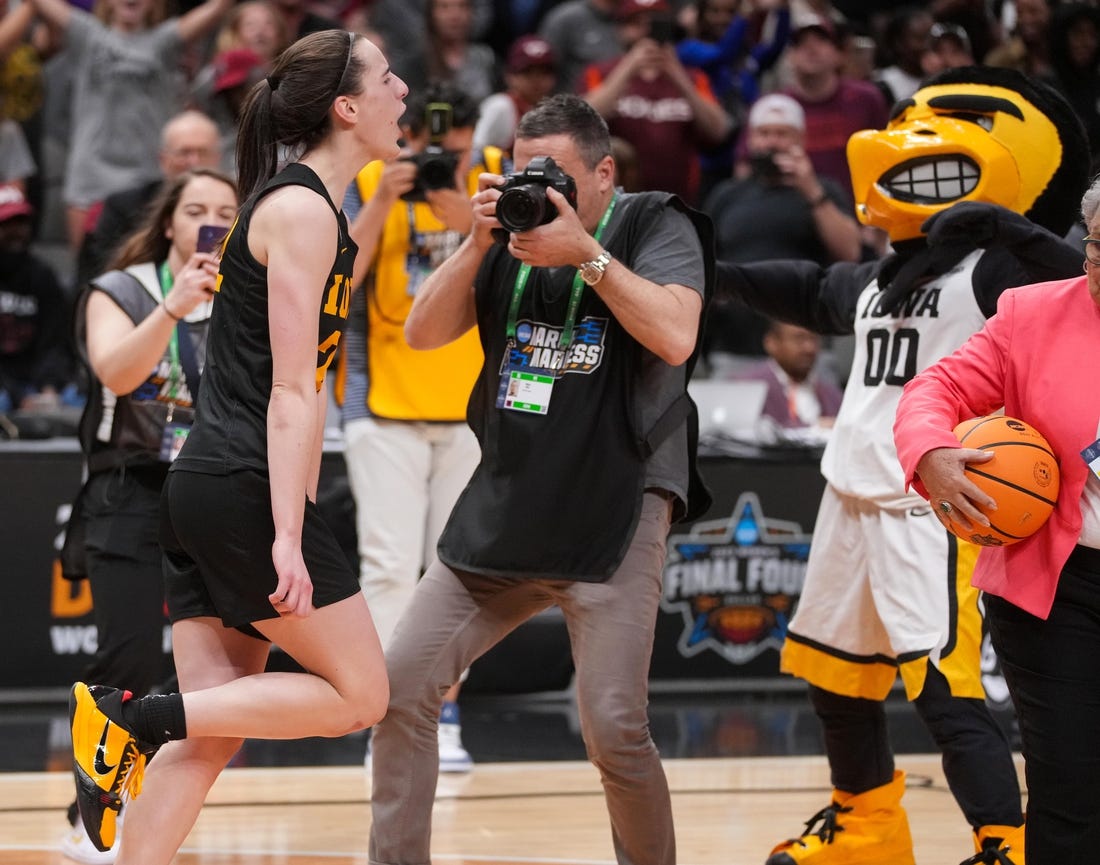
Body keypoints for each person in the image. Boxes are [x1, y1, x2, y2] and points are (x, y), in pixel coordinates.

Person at [715, 66, 1089, 865]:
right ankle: (867, 823)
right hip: (851, 492)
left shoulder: (995, 270)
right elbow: (808, 286)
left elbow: (1075, 286)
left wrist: (1012, 229)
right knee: (834, 673)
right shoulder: (884, 279)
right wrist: (704, 268)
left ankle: (1005, 839)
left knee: (944, 687)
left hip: (939, 499)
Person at [66, 29, 408, 865]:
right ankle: (131, 713)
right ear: (346, 106)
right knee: (362, 694)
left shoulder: (312, 209)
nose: (404, 91)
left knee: (210, 732)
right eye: (389, 77)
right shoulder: (296, 208)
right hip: (245, 484)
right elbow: (293, 392)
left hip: (210, 482)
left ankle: (143, 751)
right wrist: (288, 533)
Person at [367, 92, 712, 865]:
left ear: (603, 172)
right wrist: (475, 238)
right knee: (400, 692)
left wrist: (585, 256)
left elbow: (675, 331)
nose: (540, 187)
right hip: (510, 500)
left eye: (555, 172)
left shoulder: (657, 222)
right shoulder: (507, 239)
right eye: (526, 173)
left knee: (614, 726)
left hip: (615, 504)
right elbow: (422, 333)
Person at [893, 174, 1100, 865]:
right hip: (1060, 588)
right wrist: (931, 452)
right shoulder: (1031, 314)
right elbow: (937, 387)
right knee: (1068, 786)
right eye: (1097, 249)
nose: (1099, 268)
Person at [59, 167, 238, 864]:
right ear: (170, 221)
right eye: (196, 208)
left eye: (226, 210)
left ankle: (148, 804)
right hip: (128, 488)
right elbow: (116, 372)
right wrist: (175, 307)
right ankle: (89, 812)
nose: (210, 220)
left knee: (205, 675)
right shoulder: (123, 289)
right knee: (128, 654)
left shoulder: (242, 301)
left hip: (209, 491)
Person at [337, 82, 507, 773]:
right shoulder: (370, 174)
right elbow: (336, 285)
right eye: (430, 144)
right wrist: (383, 200)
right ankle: (388, 716)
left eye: (454, 145)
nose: (443, 155)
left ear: (472, 135)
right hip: (383, 406)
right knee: (386, 568)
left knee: (455, 573)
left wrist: (469, 217)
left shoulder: (498, 169)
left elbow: (527, 272)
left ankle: (443, 713)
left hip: (470, 405)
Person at [25, 0, 234, 253]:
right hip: (91, 177)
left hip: (147, 179)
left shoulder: (164, 38)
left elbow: (218, 7)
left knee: (145, 262)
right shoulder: (87, 33)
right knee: (87, 269)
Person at [701, 91, 860, 374]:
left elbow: (850, 251)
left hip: (806, 347)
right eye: (764, 133)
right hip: (734, 344)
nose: (772, 142)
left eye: (782, 134)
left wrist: (811, 191)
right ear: (750, 140)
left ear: (801, 140)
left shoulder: (824, 191)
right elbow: (701, 262)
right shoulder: (727, 195)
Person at [579, 0, 734, 206]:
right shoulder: (600, 72)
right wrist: (629, 67)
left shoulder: (693, 77)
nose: (645, 31)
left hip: (677, 203)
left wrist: (676, 74)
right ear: (620, 29)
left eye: (652, 23)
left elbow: (719, 130)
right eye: (636, 23)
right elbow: (582, 121)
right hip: (613, 200)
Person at [77, 110, 223, 292]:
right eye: (184, 153)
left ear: (218, 158)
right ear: (163, 159)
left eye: (203, 152)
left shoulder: (241, 206)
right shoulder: (123, 208)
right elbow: (97, 278)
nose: (193, 162)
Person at [0, 182, 73, 416]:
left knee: (79, 399)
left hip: (35, 382)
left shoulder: (42, 276)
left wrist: (49, 387)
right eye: (6, 225)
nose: (16, 232)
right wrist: (17, 396)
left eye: (21, 223)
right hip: (5, 388)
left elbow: (55, 339)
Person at [734, 318, 842, 430]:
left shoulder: (833, 395)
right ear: (771, 343)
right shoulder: (746, 387)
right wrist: (814, 428)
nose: (809, 348)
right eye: (799, 339)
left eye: (814, 339)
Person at [472, 34, 557, 155]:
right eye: (528, 72)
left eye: (544, 72)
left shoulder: (556, 111)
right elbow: (474, 152)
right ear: (509, 75)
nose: (536, 80)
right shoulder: (499, 107)